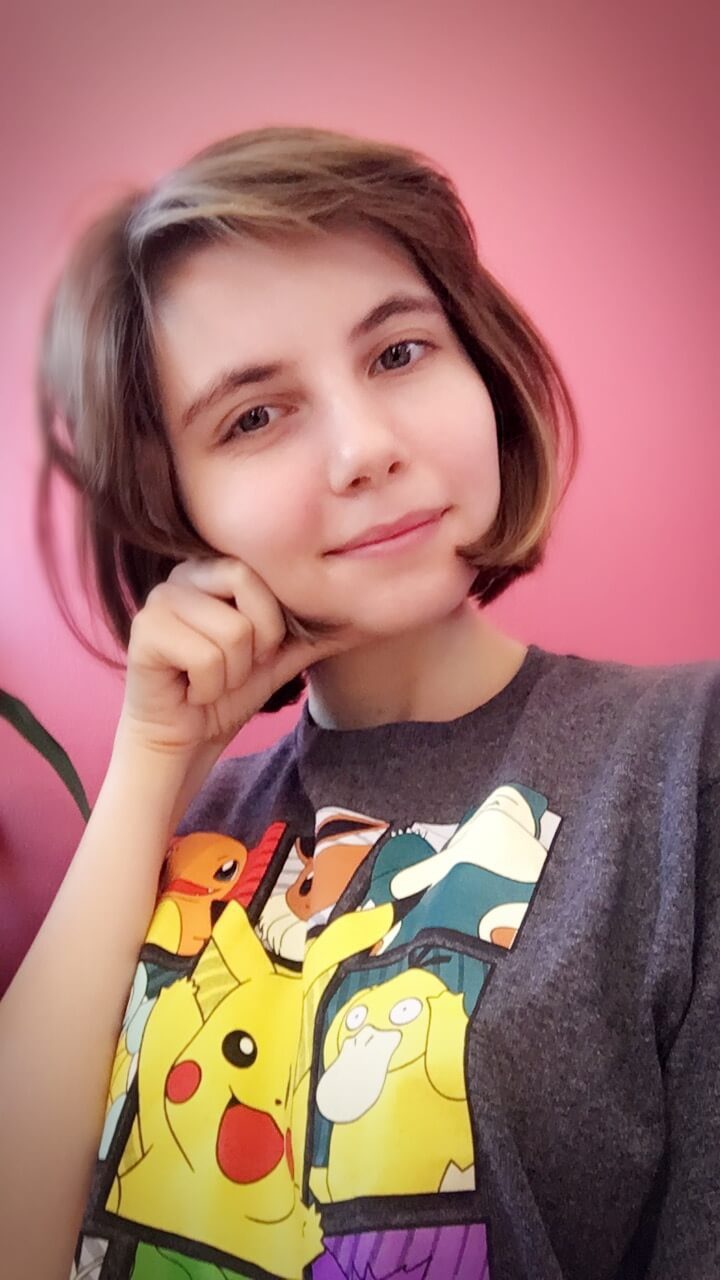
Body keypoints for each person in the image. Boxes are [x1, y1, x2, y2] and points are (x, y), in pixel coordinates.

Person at [0, 126, 717, 1280]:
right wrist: (152, 760)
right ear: (177, 505)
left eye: (398, 353)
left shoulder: (685, 763)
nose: (365, 449)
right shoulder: (177, 822)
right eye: (253, 415)